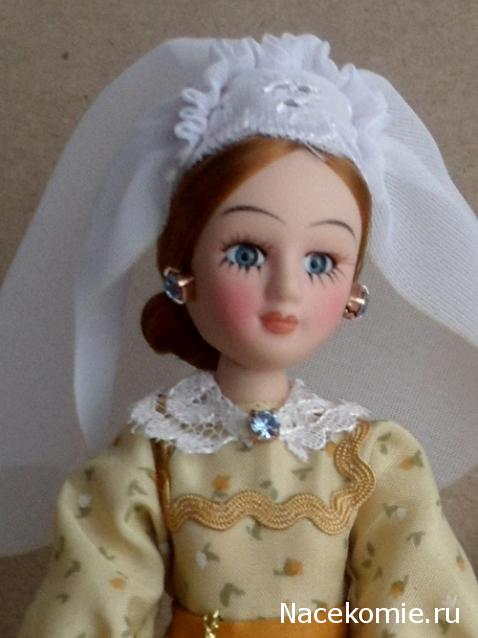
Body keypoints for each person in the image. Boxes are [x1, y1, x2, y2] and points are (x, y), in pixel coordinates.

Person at [8, 34, 478, 636]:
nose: (286, 290)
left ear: (353, 290)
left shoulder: (369, 458)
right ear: (183, 270)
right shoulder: (153, 455)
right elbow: (94, 600)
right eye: (248, 253)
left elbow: (417, 603)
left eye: (320, 262)